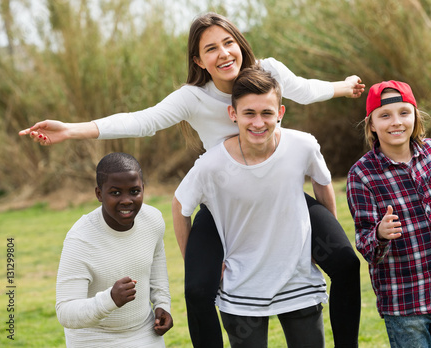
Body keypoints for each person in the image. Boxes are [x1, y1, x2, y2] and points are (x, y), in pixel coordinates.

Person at [19, 12, 362, 347]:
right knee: (198, 289)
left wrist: (344, 87)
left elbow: (305, 89)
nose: (223, 53)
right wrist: (71, 130)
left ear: (241, 44)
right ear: (198, 60)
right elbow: (142, 121)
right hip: (222, 205)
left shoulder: (268, 72)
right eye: (210, 48)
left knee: (345, 261)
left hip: (280, 198)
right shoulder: (194, 97)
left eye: (228, 42)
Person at [173, 65, 332, 347]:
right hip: (241, 288)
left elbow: (322, 182)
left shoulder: (303, 146)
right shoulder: (212, 165)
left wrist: (325, 244)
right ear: (232, 114)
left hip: (299, 281)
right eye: (249, 113)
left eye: (267, 113)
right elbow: (180, 206)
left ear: (280, 113)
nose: (258, 123)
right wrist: (197, 263)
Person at [346, 80, 431, 348]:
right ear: (371, 124)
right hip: (405, 305)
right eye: (385, 116)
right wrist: (380, 234)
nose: (396, 122)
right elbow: (367, 247)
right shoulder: (362, 175)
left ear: (415, 115)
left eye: (404, 112)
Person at [55, 152, 173, 347]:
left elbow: (156, 266)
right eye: (116, 192)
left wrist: (162, 304)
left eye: (134, 191)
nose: (126, 200)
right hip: (93, 337)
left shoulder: (153, 220)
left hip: (143, 331)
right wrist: (109, 299)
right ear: (99, 194)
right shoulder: (80, 239)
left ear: (143, 189)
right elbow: (65, 312)